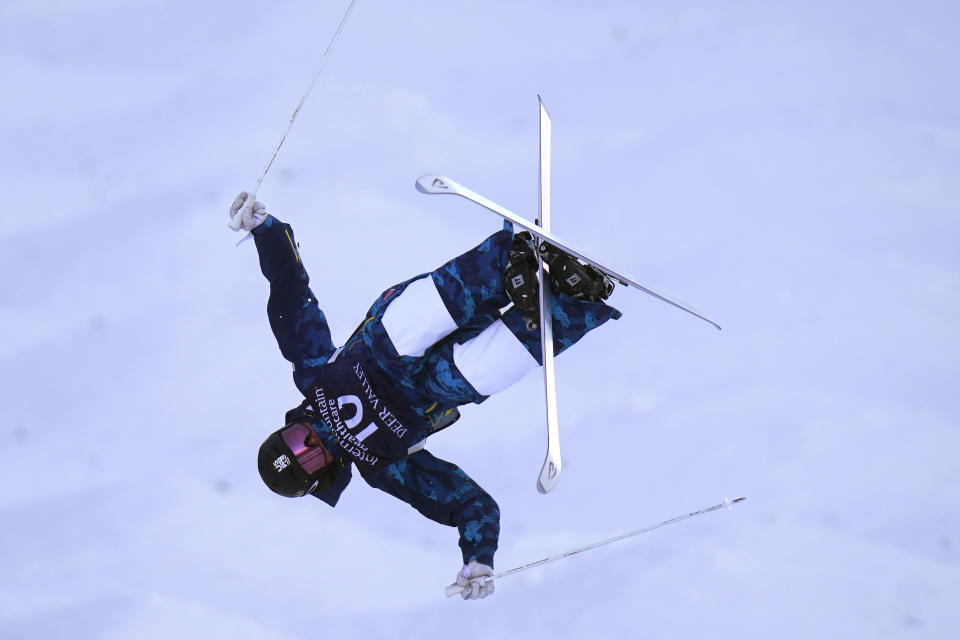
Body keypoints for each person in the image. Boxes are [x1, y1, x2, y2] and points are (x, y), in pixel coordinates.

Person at [229, 191, 620, 600]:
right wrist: (478, 557)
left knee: (407, 325)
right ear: (322, 477)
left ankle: (510, 263)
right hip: (434, 389)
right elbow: (467, 502)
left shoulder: (312, 373)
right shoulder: (383, 468)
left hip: (393, 340)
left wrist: (265, 230)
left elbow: (290, 293)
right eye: (310, 458)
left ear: (290, 425)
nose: (312, 442)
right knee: (470, 373)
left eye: (296, 440)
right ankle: (572, 302)